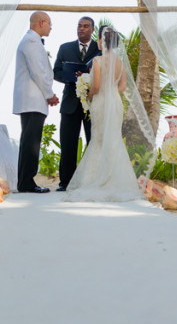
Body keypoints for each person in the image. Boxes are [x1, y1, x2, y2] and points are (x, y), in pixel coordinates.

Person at [64, 25, 142, 202]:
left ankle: (95, 179)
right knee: (113, 139)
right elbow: (122, 86)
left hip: (101, 102)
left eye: (99, 39)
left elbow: (97, 86)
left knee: (98, 139)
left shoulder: (98, 62)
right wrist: (112, 89)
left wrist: (88, 94)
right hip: (114, 102)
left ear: (102, 41)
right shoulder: (120, 61)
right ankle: (117, 180)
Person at [52, 16, 102, 192]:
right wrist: (71, 77)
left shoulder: (100, 48)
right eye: (79, 26)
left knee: (93, 143)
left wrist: (89, 78)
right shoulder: (65, 48)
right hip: (70, 103)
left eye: (86, 26)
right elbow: (56, 72)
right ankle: (65, 182)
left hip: (93, 103)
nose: (81, 29)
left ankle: (92, 181)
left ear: (92, 30)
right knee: (68, 144)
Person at [13, 11, 59, 193]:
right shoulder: (32, 42)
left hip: (31, 101)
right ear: (41, 22)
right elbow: (38, 72)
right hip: (33, 100)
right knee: (31, 143)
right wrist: (50, 94)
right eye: (49, 24)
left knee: (30, 141)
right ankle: (26, 183)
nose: (51, 28)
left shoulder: (31, 41)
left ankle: (26, 181)